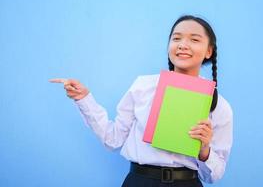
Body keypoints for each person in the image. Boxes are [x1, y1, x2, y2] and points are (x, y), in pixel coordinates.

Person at [50, 15, 233, 187]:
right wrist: (84, 99)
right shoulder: (143, 86)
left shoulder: (219, 106)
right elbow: (113, 139)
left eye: (194, 39)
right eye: (176, 38)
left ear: (209, 51)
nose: (183, 45)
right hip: (140, 181)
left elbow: (214, 175)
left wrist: (205, 150)